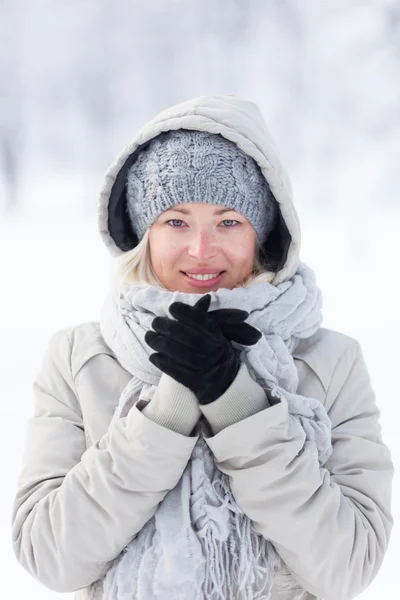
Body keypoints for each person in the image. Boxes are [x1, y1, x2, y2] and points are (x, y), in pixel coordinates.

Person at [11, 95, 394, 600]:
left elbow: (346, 566)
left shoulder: (331, 362)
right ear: (143, 234)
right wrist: (169, 409)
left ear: (263, 235)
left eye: (229, 222)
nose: (201, 249)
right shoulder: (80, 358)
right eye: (175, 221)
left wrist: (239, 405)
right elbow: (52, 558)